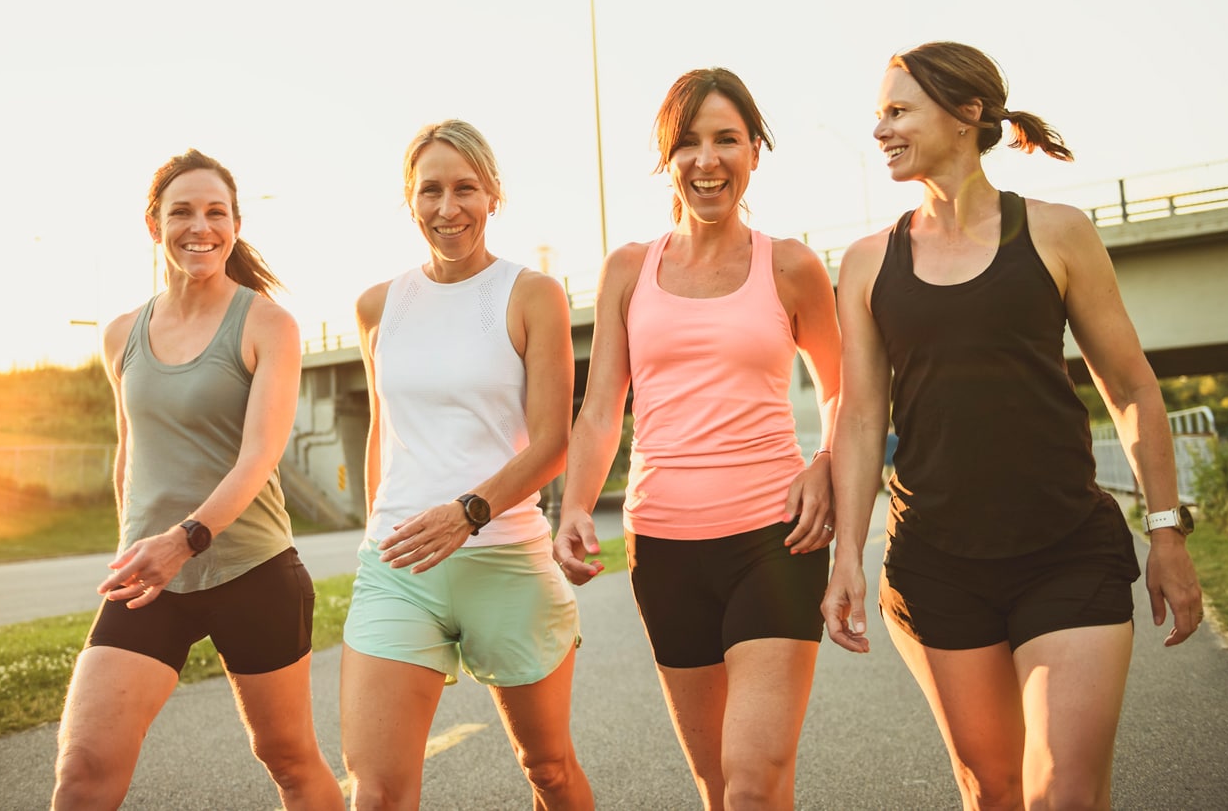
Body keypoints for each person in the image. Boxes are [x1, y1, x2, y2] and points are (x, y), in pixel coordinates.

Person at [822, 41, 1204, 809]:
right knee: (992, 789)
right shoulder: (867, 261)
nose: (880, 131)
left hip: (1066, 549)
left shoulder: (1058, 233)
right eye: (879, 114)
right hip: (935, 564)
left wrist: (1166, 531)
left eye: (898, 111)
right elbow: (861, 419)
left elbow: (1130, 387)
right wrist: (844, 557)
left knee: (1062, 788)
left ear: (966, 114)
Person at [554, 68, 843, 810]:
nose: (707, 159)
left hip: (774, 543)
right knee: (718, 786)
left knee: (751, 783)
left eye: (726, 140)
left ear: (754, 152)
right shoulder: (627, 269)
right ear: (666, 157)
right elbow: (599, 410)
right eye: (688, 143)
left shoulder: (790, 264)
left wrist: (827, 460)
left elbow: (846, 388)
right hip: (663, 547)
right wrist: (578, 507)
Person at [52, 149, 343, 811]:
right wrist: (135, 548)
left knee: (289, 760)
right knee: (84, 770)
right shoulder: (122, 334)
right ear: (153, 224)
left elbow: (260, 455)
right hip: (152, 581)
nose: (199, 227)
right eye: (181, 211)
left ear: (235, 225)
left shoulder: (268, 324)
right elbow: (132, 450)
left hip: (255, 571)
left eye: (216, 212)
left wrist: (180, 541)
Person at [340, 120, 592, 810]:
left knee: (547, 769)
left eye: (465, 189)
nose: (447, 207)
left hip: (505, 560)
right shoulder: (376, 306)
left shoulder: (530, 294)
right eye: (431, 191)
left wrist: (467, 513)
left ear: (493, 197)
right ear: (409, 200)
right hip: (399, 569)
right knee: (378, 789)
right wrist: (375, 532)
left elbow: (552, 442)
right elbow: (382, 432)